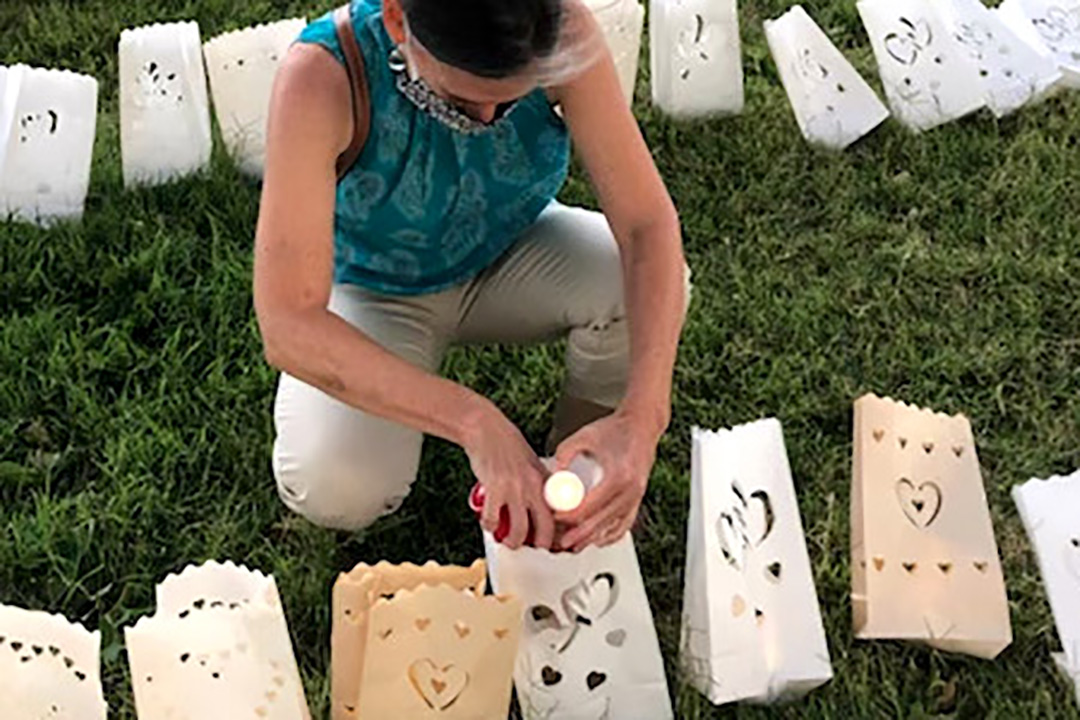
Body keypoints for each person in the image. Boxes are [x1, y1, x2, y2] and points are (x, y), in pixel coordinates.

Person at [253, 0, 689, 552]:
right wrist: (474, 421)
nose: (483, 122)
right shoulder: (322, 76)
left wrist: (642, 420)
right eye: (460, 99)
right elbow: (289, 323)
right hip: (373, 289)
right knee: (336, 485)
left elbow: (648, 227)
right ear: (395, 21)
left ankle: (584, 461)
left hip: (508, 250)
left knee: (634, 278)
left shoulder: (560, 28)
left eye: (510, 101)